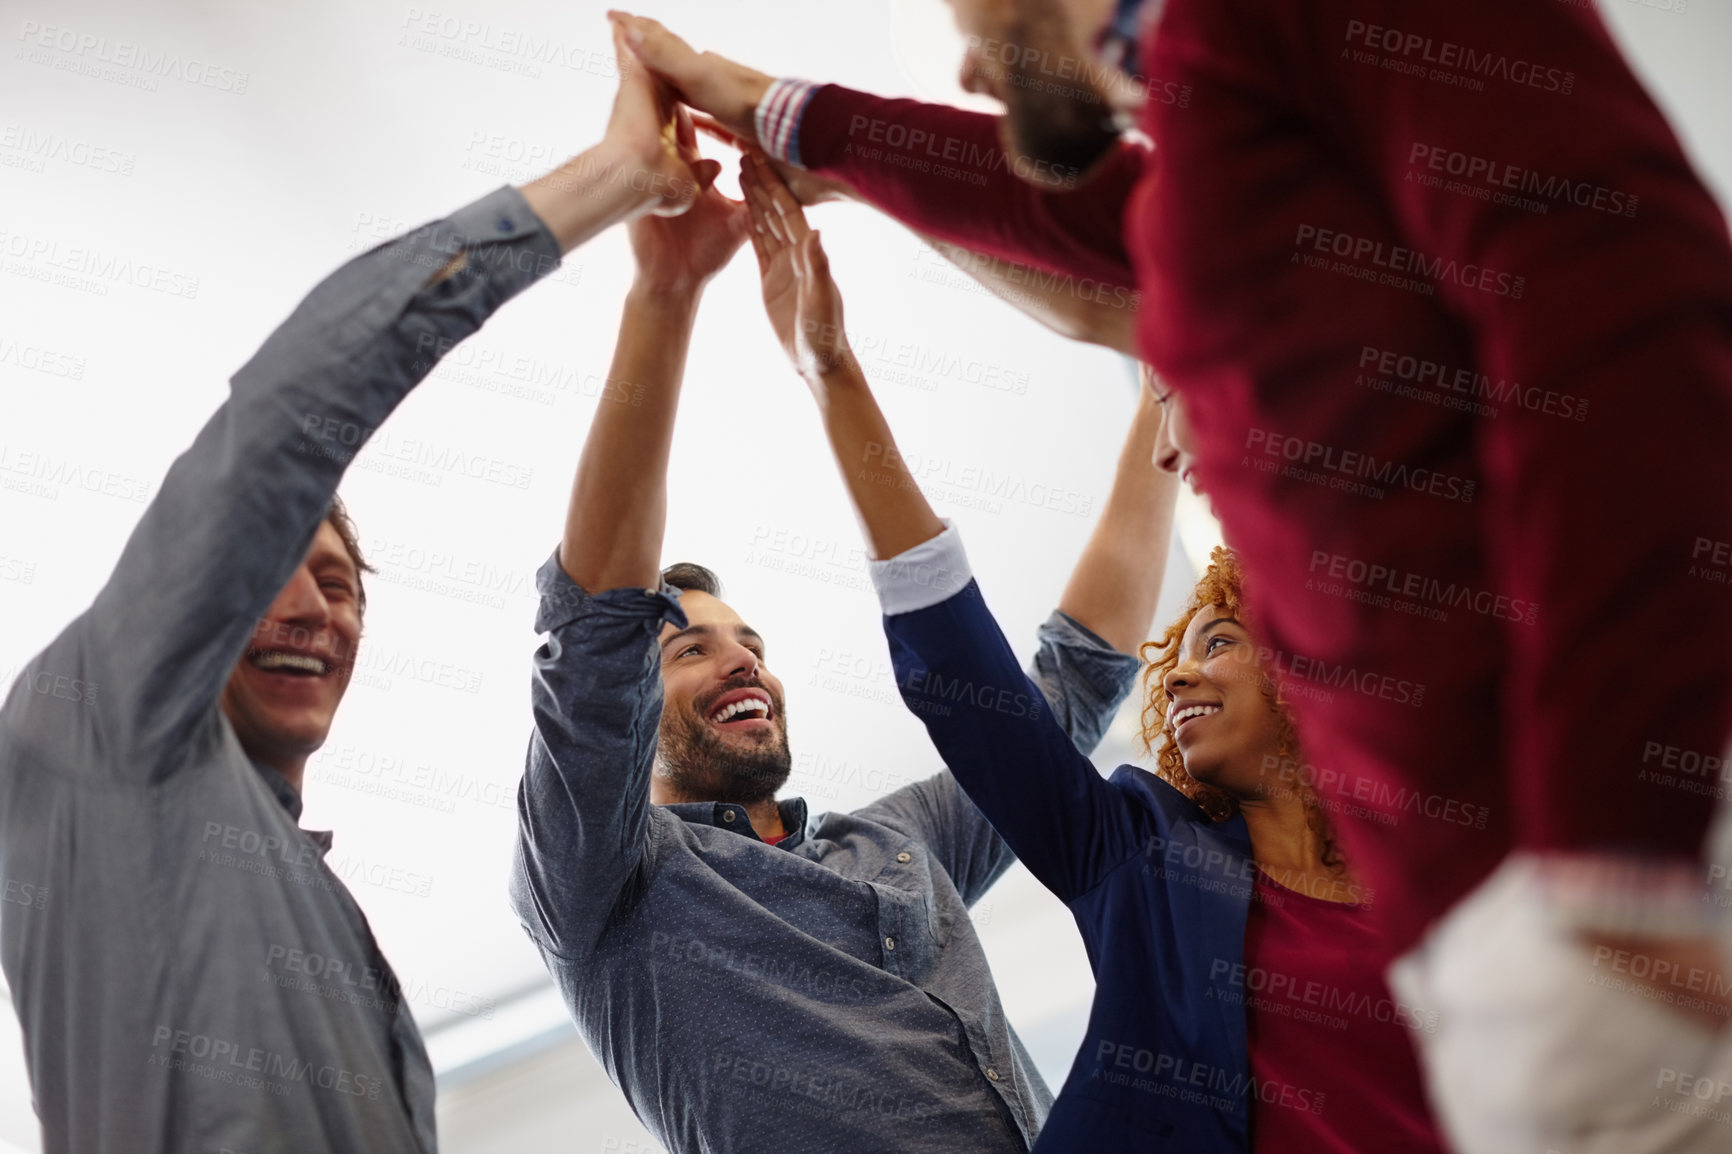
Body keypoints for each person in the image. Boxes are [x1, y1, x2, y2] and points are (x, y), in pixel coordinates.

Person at [610, 7, 1732, 1150]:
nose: (961, 58)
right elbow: (1110, 250)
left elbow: (1629, 339)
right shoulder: (1154, 852)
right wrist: (791, 129)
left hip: (1611, 872)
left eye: (972, 10)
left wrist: (1615, 850)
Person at [0, 24, 717, 1153]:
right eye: (274, 572)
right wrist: (615, 178)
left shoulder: (318, 916)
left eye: (341, 586)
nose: (315, 610)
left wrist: (669, 295)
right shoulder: (99, 721)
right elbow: (293, 412)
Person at [744, 151, 1445, 1152]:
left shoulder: (1438, 877)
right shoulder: (1142, 853)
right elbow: (968, 685)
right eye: (1178, 658)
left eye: (1222, 640)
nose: (1184, 673)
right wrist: (832, 373)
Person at [505, 135, 1177, 1150]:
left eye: (749, 641)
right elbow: (591, 638)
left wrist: (1168, 386)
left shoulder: (903, 840)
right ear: (631, 727)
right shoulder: (609, 891)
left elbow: (1072, 682)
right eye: (687, 649)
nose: (739, 659)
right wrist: (667, 293)